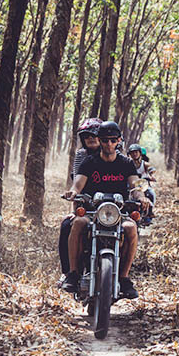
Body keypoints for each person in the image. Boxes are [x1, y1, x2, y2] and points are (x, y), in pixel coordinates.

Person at [62, 121, 150, 299]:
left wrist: (141, 196)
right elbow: (78, 184)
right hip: (92, 212)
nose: (109, 144)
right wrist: (73, 192)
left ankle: (124, 278)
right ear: (99, 141)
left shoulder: (126, 163)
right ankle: (73, 274)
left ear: (119, 141)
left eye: (113, 140)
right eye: (104, 140)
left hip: (119, 212)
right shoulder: (89, 162)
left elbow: (135, 184)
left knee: (131, 228)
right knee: (77, 223)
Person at [59, 118, 103, 280]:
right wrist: (75, 210)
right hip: (87, 204)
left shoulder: (115, 155)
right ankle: (68, 273)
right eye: (86, 136)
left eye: (94, 134)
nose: (90, 138)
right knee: (66, 225)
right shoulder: (81, 156)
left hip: (110, 206)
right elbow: (77, 184)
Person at [127, 144, 156, 222]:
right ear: (129, 154)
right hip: (132, 185)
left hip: (143, 185)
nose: (134, 154)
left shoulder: (145, 164)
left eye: (136, 152)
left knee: (151, 193)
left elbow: (150, 170)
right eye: (132, 152)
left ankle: (149, 212)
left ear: (140, 153)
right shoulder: (127, 163)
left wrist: (150, 176)